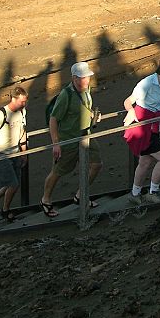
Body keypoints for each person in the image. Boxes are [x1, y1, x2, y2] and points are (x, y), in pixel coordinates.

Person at [41, 61, 102, 218]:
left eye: (88, 77)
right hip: (68, 139)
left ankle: (81, 195)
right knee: (58, 171)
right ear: (74, 78)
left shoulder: (86, 89)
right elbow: (53, 119)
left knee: (96, 164)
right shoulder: (65, 95)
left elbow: (84, 108)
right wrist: (56, 144)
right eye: (83, 77)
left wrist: (92, 117)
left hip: (85, 135)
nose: (87, 80)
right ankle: (46, 200)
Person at [123, 56, 160, 204]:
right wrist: (131, 111)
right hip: (142, 127)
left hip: (154, 125)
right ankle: (152, 192)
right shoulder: (147, 83)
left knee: (145, 161)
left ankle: (135, 194)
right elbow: (128, 101)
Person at [0, 86, 29, 222]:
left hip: (14, 152)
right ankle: (5, 210)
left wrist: (24, 153)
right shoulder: (1, 114)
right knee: (13, 184)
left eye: (25, 101)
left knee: (12, 182)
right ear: (14, 98)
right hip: (1, 153)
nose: (24, 104)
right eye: (22, 101)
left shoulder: (22, 112)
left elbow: (22, 132)